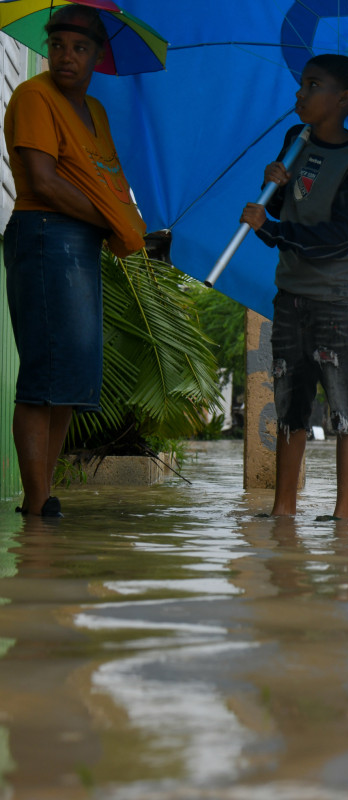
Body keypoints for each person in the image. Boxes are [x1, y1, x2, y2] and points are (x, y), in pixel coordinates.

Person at [3, 4, 146, 517]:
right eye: (58, 45)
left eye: (79, 47)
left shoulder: (96, 113)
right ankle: (39, 501)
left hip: (80, 242)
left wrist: (123, 224)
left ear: (97, 56)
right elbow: (43, 181)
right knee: (46, 375)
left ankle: (42, 500)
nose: (66, 56)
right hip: (45, 232)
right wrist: (114, 223)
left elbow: (105, 183)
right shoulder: (32, 96)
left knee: (69, 379)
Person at [240, 54, 348, 519]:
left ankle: (343, 514)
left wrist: (272, 230)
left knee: (343, 407)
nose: (300, 94)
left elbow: (342, 235)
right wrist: (273, 187)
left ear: (342, 99)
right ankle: (283, 509)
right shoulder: (293, 141)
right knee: (290, 402)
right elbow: (286, 208)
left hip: (336, 299)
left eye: (312, 85)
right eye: (302, 84)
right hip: (289, 294)